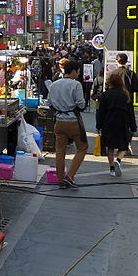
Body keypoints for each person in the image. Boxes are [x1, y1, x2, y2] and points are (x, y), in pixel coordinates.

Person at [48, 60, 87, 188]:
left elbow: (49, 103)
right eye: (79, 71)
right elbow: (81, 104)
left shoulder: (54, 84)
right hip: (73, 121)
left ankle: (60, 179)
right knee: (82, 147)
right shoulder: (76, 85)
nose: (79, 73)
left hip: (59, 121)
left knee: (60, 151)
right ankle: (70, 176)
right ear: (74, 71)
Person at [96, 70, 136, 177]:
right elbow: (131, 112)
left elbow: (101, 111)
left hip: (108, 122)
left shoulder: (105, 95)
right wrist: (133, 126)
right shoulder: (126, 95)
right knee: (123, 146)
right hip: (122, 121)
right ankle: (118, 160)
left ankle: (111, 168)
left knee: (110, 147)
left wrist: (98, 125)